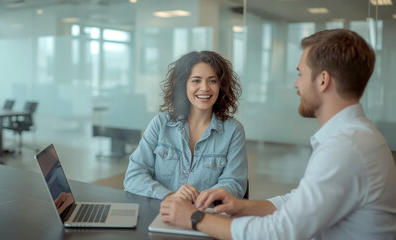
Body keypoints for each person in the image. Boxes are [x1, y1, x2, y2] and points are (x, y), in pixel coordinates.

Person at [160, 29, 396, 239]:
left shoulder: (345, 148)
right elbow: (299, 201)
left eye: (300, 74)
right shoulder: (355, 137)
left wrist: (194, 219)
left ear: (323, 80)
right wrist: (243, 206)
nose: (296, 84)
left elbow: (281, 231)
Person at [123, 51, 248, 201]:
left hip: (205, 216)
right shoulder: (161, 123)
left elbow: (234, 185)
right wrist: (170, 196)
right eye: (196, 80)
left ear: (221, 86)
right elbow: (134, 175)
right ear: (183, 86)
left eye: (212, 81)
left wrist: (199, 200)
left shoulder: (233, 131)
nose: (204, 88)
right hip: (160, 212)